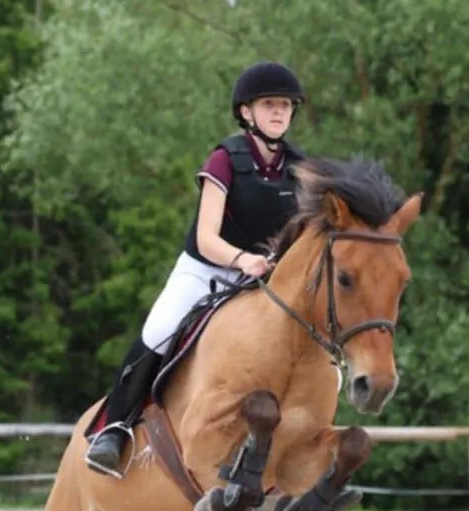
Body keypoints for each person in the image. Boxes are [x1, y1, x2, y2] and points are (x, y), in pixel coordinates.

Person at [84, 60, 308, 478]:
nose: (279, 111)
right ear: (246, 112)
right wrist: (242, 260)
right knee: (160, 329)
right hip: (207, 271)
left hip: (264, 282)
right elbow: (207, 237)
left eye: (285, 105)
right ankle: (113, 429)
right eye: (269, 104)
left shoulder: (301, 168)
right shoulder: (225, 159)